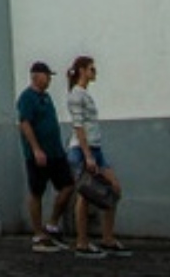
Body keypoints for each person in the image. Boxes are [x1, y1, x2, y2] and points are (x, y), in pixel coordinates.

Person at [66, 55, 130, 257]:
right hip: (83, 150)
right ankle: (82, 242)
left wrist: (94, 153)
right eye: (92, 69)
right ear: (82, 70)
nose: (95, 72)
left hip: (96, 149)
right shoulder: (76, 95)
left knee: (113, 188)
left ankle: (107, 238)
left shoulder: (85, 94)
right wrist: (87, 155)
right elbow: (78, 127)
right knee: (85, 195)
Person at [16, 60, 75, 252]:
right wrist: (36, 149)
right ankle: (38, 233)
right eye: (46, 75)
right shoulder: (27, 98)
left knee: (67, 185)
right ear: (36, 76)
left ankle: (52, 223)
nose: (49, 79)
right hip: (38, 154)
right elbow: (25, 123)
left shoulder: (46, 97)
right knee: (37, 191)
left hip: (56, 152)